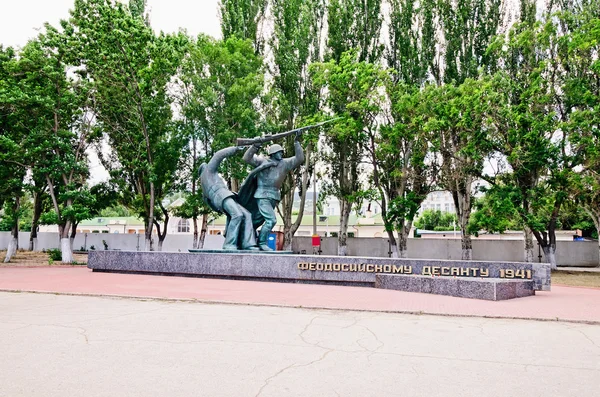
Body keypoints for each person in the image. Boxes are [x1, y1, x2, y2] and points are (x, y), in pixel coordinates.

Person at [241, 134, 304, 251]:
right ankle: (262, 243)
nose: (281, 154)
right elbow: (247, 158)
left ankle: (244, 237)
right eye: (279, 152)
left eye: (282, 152)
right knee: (271, 220)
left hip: (274, 196)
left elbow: (299, 159)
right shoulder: (262, 162)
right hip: (262, 195)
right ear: (273, 153)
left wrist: (296, 142)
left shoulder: (284, 163)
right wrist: (255, 146)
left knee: (256, 221)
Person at [199, 146, 259, 251]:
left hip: (223, 198)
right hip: (221, 196)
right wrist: (235, 148)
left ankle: (248, 244)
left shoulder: (204, 186)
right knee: (238, 214)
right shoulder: (208, 171)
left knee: (247, 214)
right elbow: (218, 155)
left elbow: (208, 202)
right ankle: (229, 244)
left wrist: (218, 208)